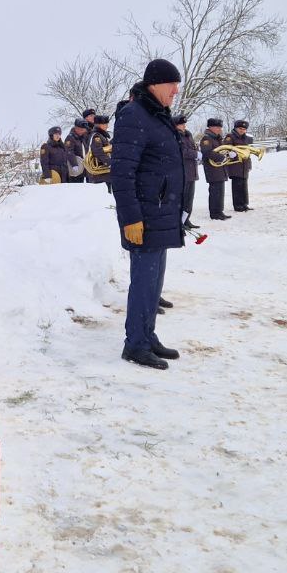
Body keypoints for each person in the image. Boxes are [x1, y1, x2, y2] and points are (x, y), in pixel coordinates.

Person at [111, 58, 185, 370]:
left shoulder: (157, 115)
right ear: (155, 83)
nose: (176, 91)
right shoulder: (134, 115)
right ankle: (135, 344)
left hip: (161, 213)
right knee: (143, 282)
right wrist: (131, 219)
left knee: (155, 283)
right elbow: (122, 172)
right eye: (172, 84)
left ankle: (148, 335)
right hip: (143, 215)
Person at [199, 118, 232, 220]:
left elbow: (222, 150)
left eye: (220, 127)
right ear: (210, 127)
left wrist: (228, 154)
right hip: (212, 169)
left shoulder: (217, 138)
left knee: (220, 191)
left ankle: (219, 211)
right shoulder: (207, 139)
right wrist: (221, 157)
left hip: (220, 168)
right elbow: (207, 152)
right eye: (217, 127)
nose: (219, 129)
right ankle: (214, 213)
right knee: (215, 192)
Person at [174, 113, 201, 229]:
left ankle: (186, 220)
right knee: (182, 199)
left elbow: (192, 148)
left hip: (191, 172)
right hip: (182, 173)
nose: (184, 126)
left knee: (189, 200)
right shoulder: (175, 135)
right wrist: (195, 154)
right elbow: (182, 151)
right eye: (181, 124)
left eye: (184, 124)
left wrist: (197, 154)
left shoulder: (188, 135)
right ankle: (179, 223)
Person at [224, 120, 254, 212]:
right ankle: (237, 205)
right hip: (235, 165)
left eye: (244, 129)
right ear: (236, 128)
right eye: (240, 128)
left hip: (244, 165)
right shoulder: (230, 137)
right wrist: (231, 153)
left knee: (244, 186)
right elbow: (225, 149)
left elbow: (247, 151)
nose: (242, 130)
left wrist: (249, 164)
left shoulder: (245, 138)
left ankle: (244, 204)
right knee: (237, 185)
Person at [87, 114, 112, 192]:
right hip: (100, 174)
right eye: (105, 124)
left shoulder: (101, 135)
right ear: (99, 125)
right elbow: (98, 151)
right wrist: (109, 162)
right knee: (104, 196)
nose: (107, 126)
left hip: (103, 173)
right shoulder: (96, 136)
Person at [65, 119, 90, 183]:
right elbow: (69, 152)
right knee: (74, 187)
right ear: (77, 128)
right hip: (74, 168)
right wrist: (74, 164)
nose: (84, 131)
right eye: (82, 129)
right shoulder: (70, 138)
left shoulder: (82, 137)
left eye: (84, 129)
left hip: (83, 167)